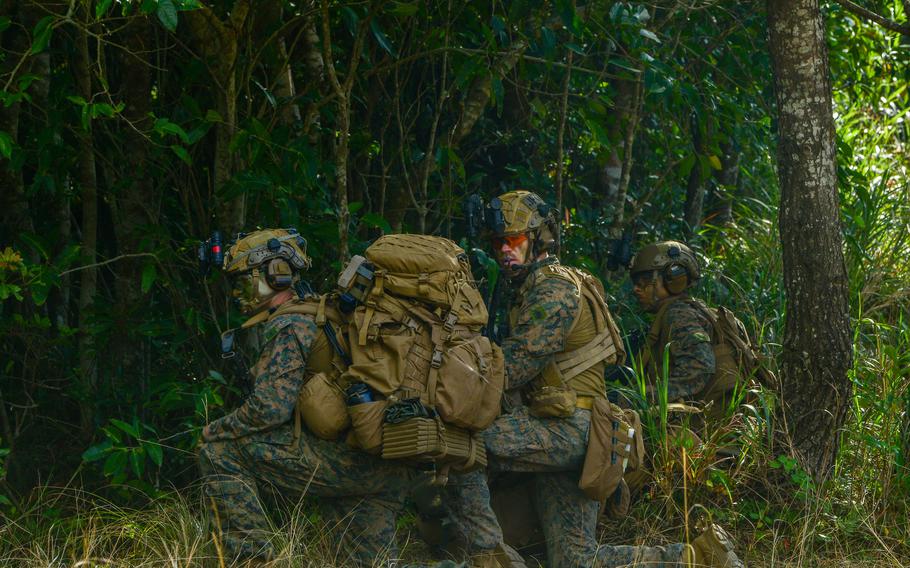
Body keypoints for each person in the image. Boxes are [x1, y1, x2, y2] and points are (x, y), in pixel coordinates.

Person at [446, 192, 744, 568]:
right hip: (577, 432)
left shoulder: (553, 288)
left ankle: (488, 559)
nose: (505, 251)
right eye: (499, 243)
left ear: (539, 240)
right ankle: (695, 559)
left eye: (515, 241)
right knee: (576, 562)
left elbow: (516, 368)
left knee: (459, 446)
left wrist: (449, 383)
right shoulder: (533, 288)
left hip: (575, 429)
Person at [197, 228, 419, 566]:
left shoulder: (290, 325)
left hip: (346, 463)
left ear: (276, 274)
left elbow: (269, 409)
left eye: (243, 280)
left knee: (219, 451)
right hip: (382, 463)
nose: (236, 292)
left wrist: (216, 430)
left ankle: (253, 560)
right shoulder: (324, 311)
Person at [629, 241, 731, 407]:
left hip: (700, 424)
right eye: (636, 282)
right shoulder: (685, 310)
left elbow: (701, 367)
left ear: (673, 280)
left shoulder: (679, 315)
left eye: (644, 281)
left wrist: (642, 398)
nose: (636, 289)